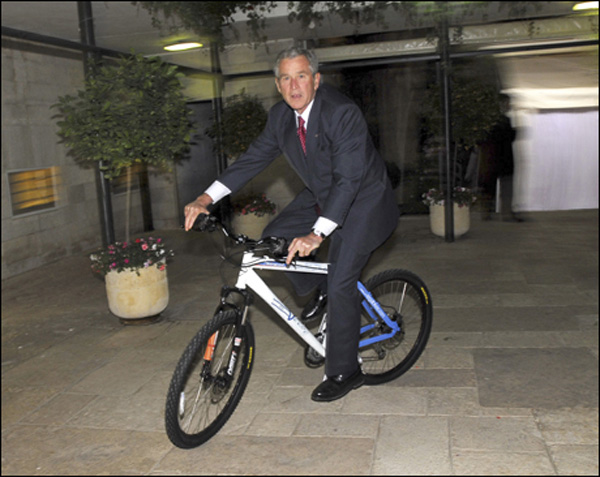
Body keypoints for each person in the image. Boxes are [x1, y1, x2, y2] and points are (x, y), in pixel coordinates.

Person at [184, 46, 399, 402]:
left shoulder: (341, 113)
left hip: (364, 202)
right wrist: (206, 198)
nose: (294, 85)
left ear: (316, 80)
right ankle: (319, 290)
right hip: (323, 194)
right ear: (277, 84)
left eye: (301, 76)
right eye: (286, 78)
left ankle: (346, 371)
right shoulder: (281, 118)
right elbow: (252, 160)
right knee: (274, 237)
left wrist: (317, 234)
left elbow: (348, 181)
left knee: (342, 279)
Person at [478, 93, 523, 222]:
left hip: (495, 157)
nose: (509, 106)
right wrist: (514, 131)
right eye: (507, 103)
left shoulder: (495, 120)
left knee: (493, 186)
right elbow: (506, 137)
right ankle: (501, 213)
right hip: (498, 157)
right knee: (498, 187)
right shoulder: (498, 121)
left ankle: (491, 212)